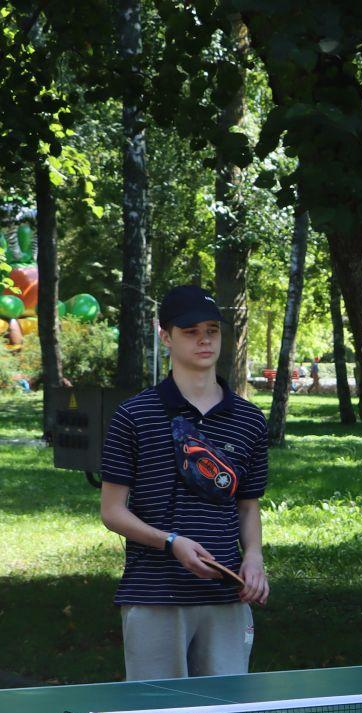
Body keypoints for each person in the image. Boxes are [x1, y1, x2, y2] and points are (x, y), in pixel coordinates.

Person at [98, 285, 269, 680]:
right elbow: (112, 512)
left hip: (227, 596)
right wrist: (171, 542)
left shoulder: (250, 420)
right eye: (190, 331)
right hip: (154, 594)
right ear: (165, 337)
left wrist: (255, 556)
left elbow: (247, 505)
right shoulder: (133, 415)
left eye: (212, 329)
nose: (204, 339)